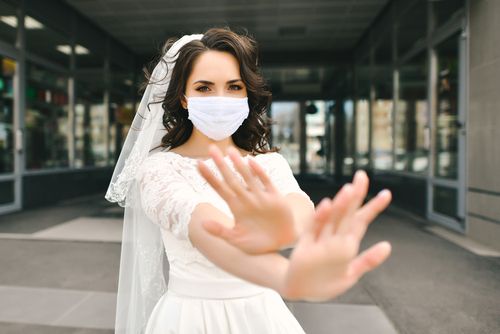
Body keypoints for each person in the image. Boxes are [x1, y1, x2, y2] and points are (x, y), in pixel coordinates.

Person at [105, 27, 392, 334]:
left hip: (263, 317)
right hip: (189, 319)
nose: (220, 98)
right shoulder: (159, 169)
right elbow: (208, 231)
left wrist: (293, 231)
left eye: (234, 86)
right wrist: (287, 278)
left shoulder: (269, 164)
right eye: (204, 88)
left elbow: (298, 211)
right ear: (184, 98)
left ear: (246, 94)